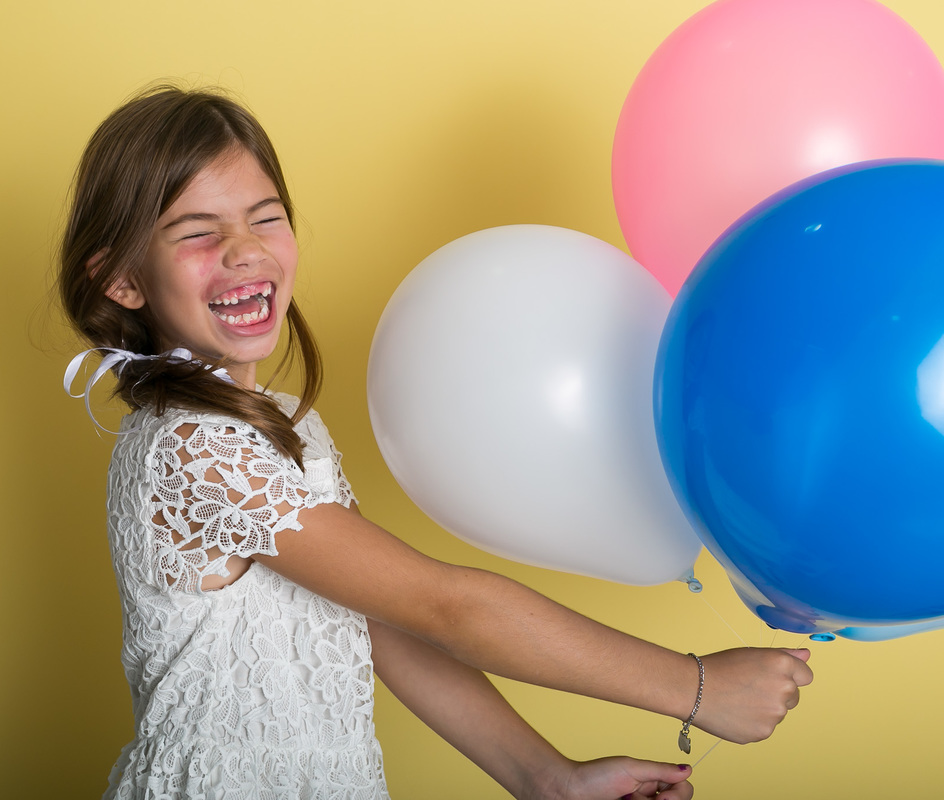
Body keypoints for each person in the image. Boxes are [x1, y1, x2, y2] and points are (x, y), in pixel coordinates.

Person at [58, 85, 813, 800]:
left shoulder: (279, 422)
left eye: (265, 217)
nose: (245, 250)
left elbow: (385, 623)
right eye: (198, 232)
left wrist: (546, 778)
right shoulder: (194, 449)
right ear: (122, 280)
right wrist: (697, 687)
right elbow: (448, 607)